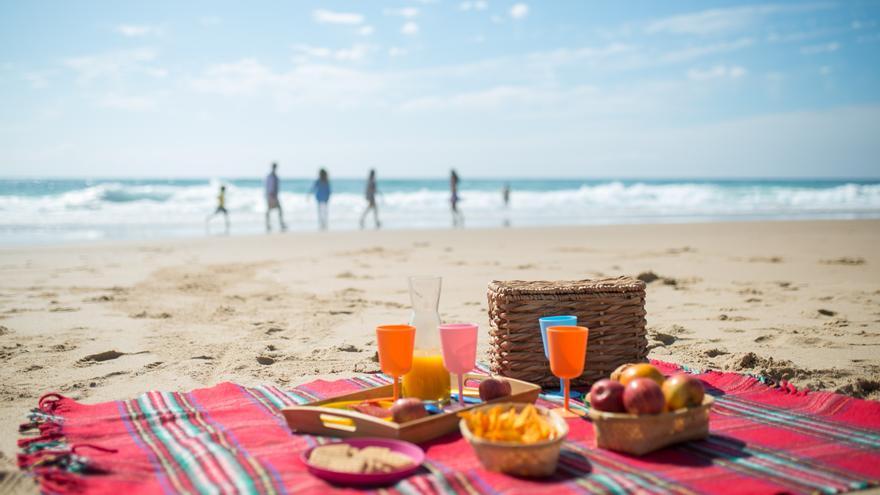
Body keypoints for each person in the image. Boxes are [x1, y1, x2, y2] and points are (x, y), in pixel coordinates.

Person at [265, 162, 287, 232]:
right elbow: (270, 187)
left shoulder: (273, 176)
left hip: (272, 195)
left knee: (277, 210)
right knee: (273, 210)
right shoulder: (271, 176)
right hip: (272, 196)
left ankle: (272, 224)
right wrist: (271, 195)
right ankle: (269, 224)